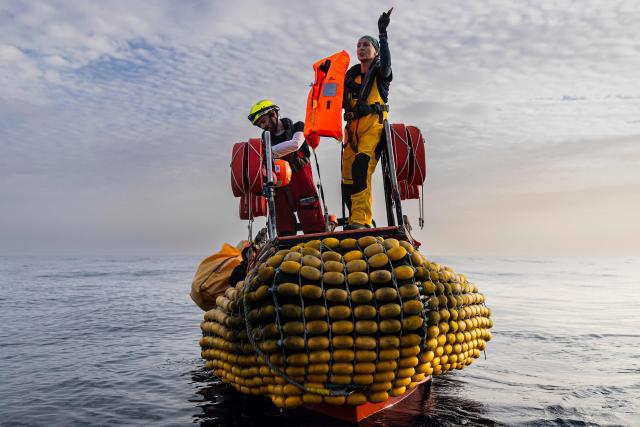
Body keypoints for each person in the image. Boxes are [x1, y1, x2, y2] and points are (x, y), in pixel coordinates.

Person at [341, 9, 393, 230]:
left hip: (373, 129)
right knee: (347, 179)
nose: (361, 48)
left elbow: (387, 65)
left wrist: (382, 35)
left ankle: (361, 220)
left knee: (362, 168)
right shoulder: (349, 79)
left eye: (366, 45)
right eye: (359, 45)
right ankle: (357, 219)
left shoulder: (381, 75)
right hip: (351, 131)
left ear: (375, 51)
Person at [247, 100, 325, 236]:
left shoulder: (298, 127)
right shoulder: (265, 139)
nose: (263, 126)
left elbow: (295, 144)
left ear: (273, 114)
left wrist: (265, 153)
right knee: (282, 214)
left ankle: (316, 240)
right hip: (279, 183)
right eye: (260, 125)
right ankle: (286, 247)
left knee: (309, 210)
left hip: (301, 178)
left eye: (264, 121)